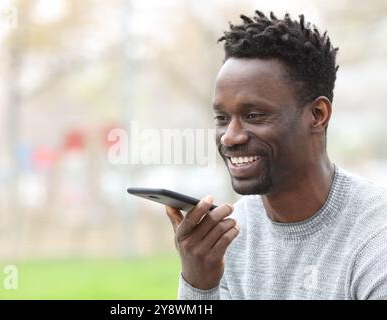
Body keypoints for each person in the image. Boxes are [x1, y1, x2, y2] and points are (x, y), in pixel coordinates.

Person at [165, 10, 387, 300]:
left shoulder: (375, 239)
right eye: (221, 118)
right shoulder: (231, 235)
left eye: (254, 115)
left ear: (317, 115)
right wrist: (199, 284)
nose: (230, 136)